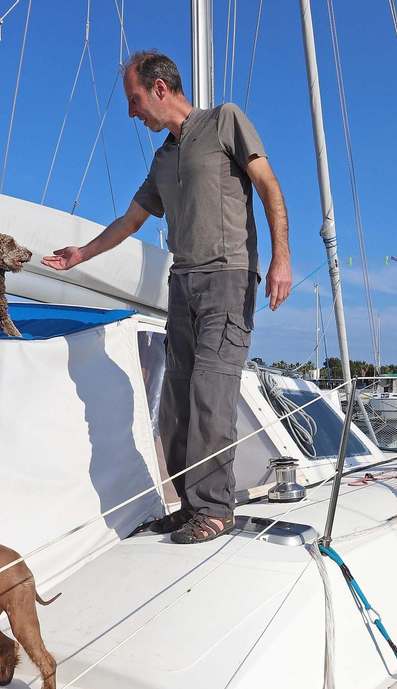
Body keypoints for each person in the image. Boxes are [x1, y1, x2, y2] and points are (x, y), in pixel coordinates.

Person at [44, 50, 292, 543]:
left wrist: (281, 258)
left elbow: (268, 184)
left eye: (135, 100)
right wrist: (81, 254)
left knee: (209, 393)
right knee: (174, 400)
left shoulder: (225, 121)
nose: (132, 113)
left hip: (228, 278)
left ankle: (216, 510)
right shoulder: (163, 158)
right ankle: (188, 505)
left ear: (160, 88)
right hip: (182, 283)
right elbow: (131, 220)